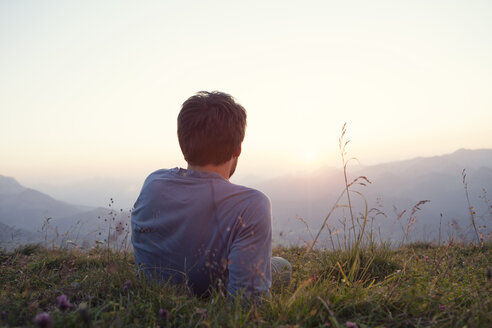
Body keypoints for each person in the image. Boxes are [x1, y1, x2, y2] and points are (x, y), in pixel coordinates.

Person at [131, 91, 290, 299]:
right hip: (212, 291)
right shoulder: (251, 204)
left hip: (155, 289)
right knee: (282, 266)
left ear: (182, 142)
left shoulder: (153, 182)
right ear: (238, 148)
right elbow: (248, 304)